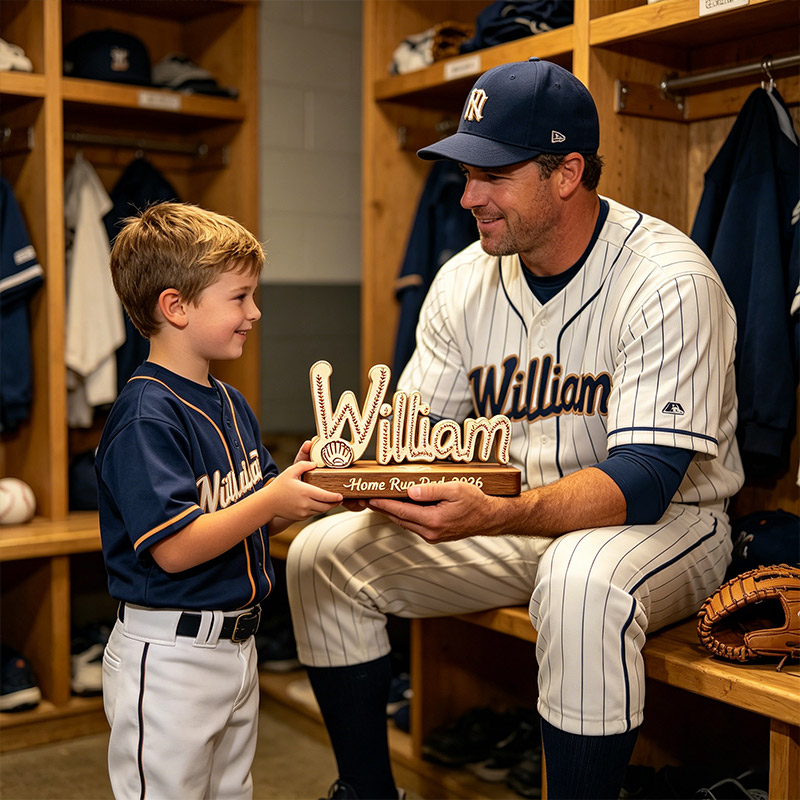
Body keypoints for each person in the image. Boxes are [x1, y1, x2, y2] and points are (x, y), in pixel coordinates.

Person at [286, 58, 745, 800]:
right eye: (466, 172)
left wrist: (505, 512)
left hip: (669, 527)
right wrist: (359, 469)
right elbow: (424, 432)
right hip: (515, 516)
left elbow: (648, 482)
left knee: (581, 581)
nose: (468, 196)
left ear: (566, 172)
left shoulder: (667, 278)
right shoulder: (463, 278)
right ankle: (367, 792)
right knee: (319, 559)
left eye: (493, 175)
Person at [95, 202, 343, 800]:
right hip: (170, 651)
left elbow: (251, 518)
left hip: (236, 646)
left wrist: (304, 488)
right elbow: (176, 550)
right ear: (175, 307)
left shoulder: (231, 402)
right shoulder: (146, 413)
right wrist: (269, 501)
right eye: (239, 297)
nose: (254, 312)